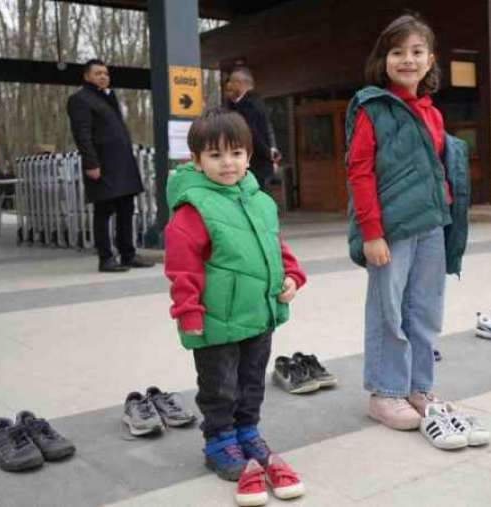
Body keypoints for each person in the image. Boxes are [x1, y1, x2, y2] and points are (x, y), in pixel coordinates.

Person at [346, 14, 483, 446]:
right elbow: (359, 172)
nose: (408, 59)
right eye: (398, 51)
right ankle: (385, 393)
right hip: (391, 228)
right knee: (388, 310)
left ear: (430, 60)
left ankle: (418, 388)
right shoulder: (372, 108)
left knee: (424, 311)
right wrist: (371, 232)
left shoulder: (431, 112)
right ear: (383, 59)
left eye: (417, 51)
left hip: (432, 225)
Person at [164, 108, 306, 503]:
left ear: (249, 155)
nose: (228, 163)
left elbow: (274, 246)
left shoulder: (260, 201)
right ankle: (219, 441)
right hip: (216, 319)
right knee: (219, 386)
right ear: (196, 160)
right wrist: (188, 310)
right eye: (215, 155)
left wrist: (291, 276)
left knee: (251, 381)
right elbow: (182, 267)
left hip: (259, 313)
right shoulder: (193, 208)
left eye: (236, 153)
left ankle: (247, 431)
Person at [67, 59, 154, 272]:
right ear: (86, 76)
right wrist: (91, 163)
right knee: (104, 210)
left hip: (122, 163)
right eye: (98, 73)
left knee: (126, 208)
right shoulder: (80, 99)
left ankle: (128, 254)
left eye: (105, 73)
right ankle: (105, 258)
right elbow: (82, 135)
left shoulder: (108, 96)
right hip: (102, 164)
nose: (103, 77)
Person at [224, 67, 281, 189]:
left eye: (232, 82)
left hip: (255, 164)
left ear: (239, 83)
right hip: (259, 163)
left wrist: (267, 153)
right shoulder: (255, 102)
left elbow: (251, 134)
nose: (229, 86)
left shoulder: (248, 105)